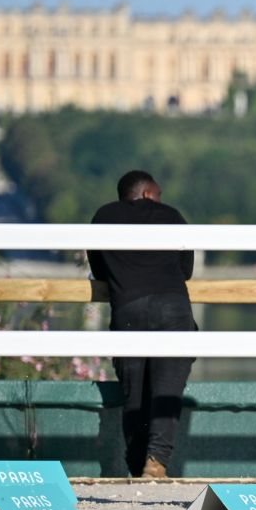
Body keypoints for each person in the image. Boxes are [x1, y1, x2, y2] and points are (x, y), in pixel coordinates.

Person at [88, 170, 196, 479]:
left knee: (133, 393)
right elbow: (185, 269)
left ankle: (135, 466)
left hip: (128, 308)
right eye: (158, 194)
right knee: (167, 390)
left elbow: (99, 268)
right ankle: (156, 463)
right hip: (173, 306)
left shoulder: (104, 216)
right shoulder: (171, 216)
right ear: (148, 193)